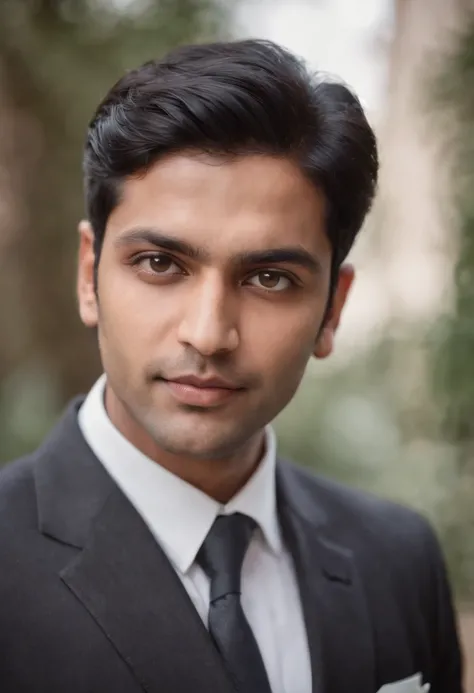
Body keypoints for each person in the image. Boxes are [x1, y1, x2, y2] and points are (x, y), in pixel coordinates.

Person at [0, 39, 463, 693]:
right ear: (88, 274)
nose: (209, 333)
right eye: (161, 264)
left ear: (333, 308)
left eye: (269, 277)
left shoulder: (397, 558)